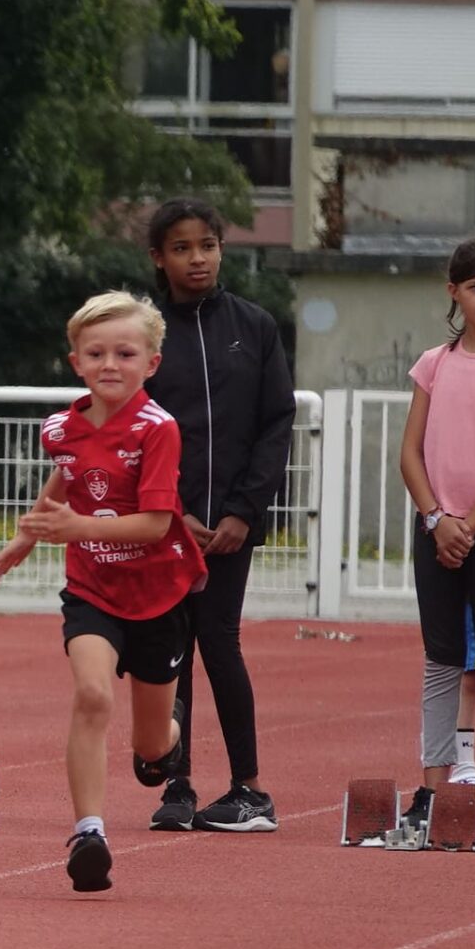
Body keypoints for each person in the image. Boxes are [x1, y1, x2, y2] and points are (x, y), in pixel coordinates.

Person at [0, 292, 205, 893]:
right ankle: (89, 833)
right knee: (91, 696)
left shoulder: (157, 429)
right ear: (76, 362)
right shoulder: (59, 425)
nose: (110, 363)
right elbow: (63, 476)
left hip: (159, 594)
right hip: (92, 588)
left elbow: (156, 525)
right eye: (96, 353)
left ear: (151, 363)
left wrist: (76, 527)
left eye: (125, 353)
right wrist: (28, 536)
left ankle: (168, 733)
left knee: (149, 748)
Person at [142, 196, 293, 834]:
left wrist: (243, 512)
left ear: (221, 249)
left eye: (206, 245)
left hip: (231, 528)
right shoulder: (143, 334)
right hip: (163, 525)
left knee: (219, 643)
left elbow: (275, 422)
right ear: (159, 257)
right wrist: (169, 510)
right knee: (166, 649)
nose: (196, 258)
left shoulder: (254, 327)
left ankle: (250, 790)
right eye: (181, 248)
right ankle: (175, 784)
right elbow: (132, 426)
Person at [391, 234, 475, 836]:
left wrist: (467, 526)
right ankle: (431, 791)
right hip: (437, 531)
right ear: (453, 292)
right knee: (442, 659)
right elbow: (409, 451)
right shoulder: (435, 364)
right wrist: (435, 519)